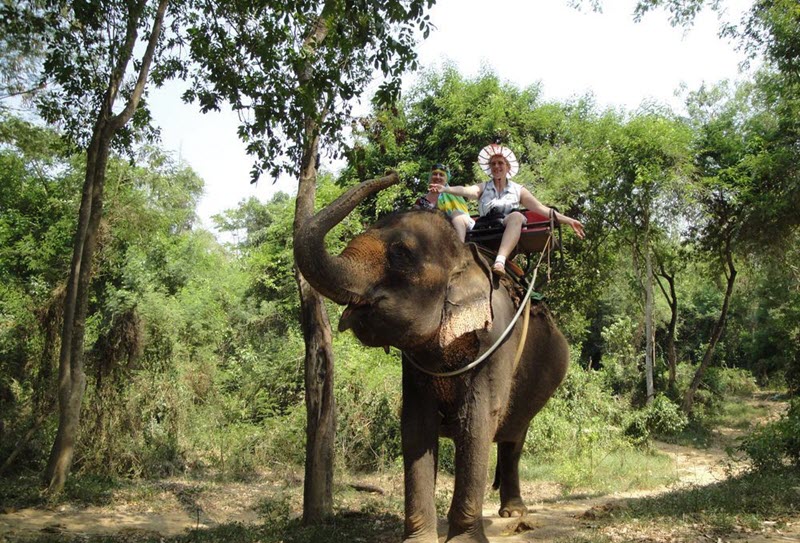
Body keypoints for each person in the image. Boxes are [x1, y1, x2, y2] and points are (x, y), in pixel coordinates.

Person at [429, 143, 585, 277]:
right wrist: (445, 189)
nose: (496, 167)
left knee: (517, 216)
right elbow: (465, 190)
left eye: (500, 163)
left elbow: (540, 209)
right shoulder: (483, 187)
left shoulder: (518, 189)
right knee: (457, 215)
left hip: (505, 222)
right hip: (484, 226)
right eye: (493, 164)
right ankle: (458, 256)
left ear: (507, 167)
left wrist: (569, 220)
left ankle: (500, 261)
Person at [414, 163, 475, 241]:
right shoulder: (421, 201)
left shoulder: (455, 193)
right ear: (430, 177)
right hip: (431, 234)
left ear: (446, 179)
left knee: (456, 215)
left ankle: (459, 247)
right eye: (435, 174)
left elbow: (463, 215)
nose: (438, 177)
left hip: (457, 228)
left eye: (441, 175)